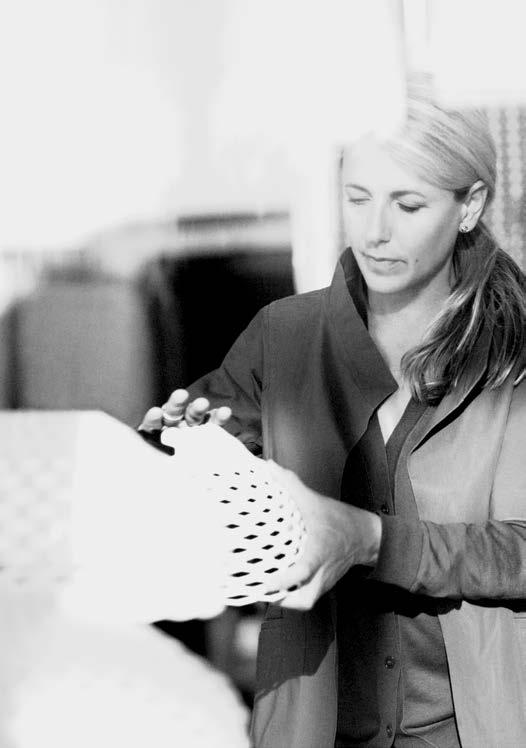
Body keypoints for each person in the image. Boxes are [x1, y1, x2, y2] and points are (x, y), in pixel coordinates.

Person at [140, 84, 526, 747]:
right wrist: (175, 448)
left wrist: (372, 539)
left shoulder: (514, 356)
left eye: (408, 204)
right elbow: (196, 515)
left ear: (470, 207)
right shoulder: (283, 336)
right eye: (357, 198)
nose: (375, 232)